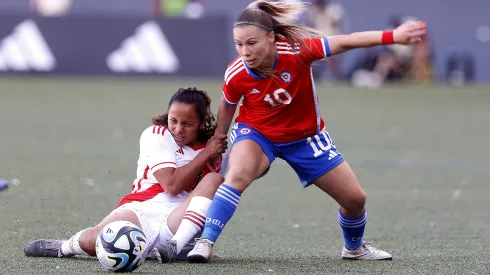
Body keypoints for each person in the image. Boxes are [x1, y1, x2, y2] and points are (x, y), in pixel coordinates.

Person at [160, 1, 425, 263]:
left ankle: (354, 248)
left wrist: (394, 36)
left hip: (305, 138)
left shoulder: (298, 51)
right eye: (239, 44)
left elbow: (348, 40)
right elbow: (227, 105)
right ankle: (204, 243)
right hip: (257, 133)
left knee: (355, 199)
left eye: (251, 43)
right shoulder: (237, 72)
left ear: (272, 38)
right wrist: (219, 138)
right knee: (238, 174)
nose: (245, 51)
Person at [24, 87, 229, 262]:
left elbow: (236, 182)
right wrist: (205, 155)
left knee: (214, 180)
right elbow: (172, 186)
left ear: (202, 123)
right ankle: (64, 247)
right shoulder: (156, 135)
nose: (177, 129)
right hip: (144, 209)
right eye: (173, 120)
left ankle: (177, 245)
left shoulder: (218, 152)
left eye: (187, 124)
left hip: (181, 221)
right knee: (92, 241)